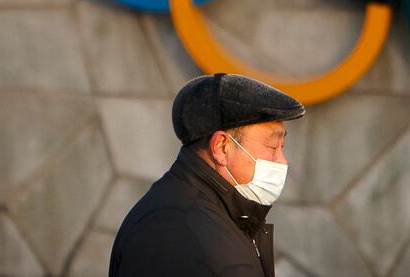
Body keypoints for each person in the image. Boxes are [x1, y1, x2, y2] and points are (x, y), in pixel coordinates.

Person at [109, 73, 305, 277]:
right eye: (273, 146)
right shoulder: (171, 229)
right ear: (222, 147)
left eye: (282, 146)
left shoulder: (226, 217)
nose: (282, 160)